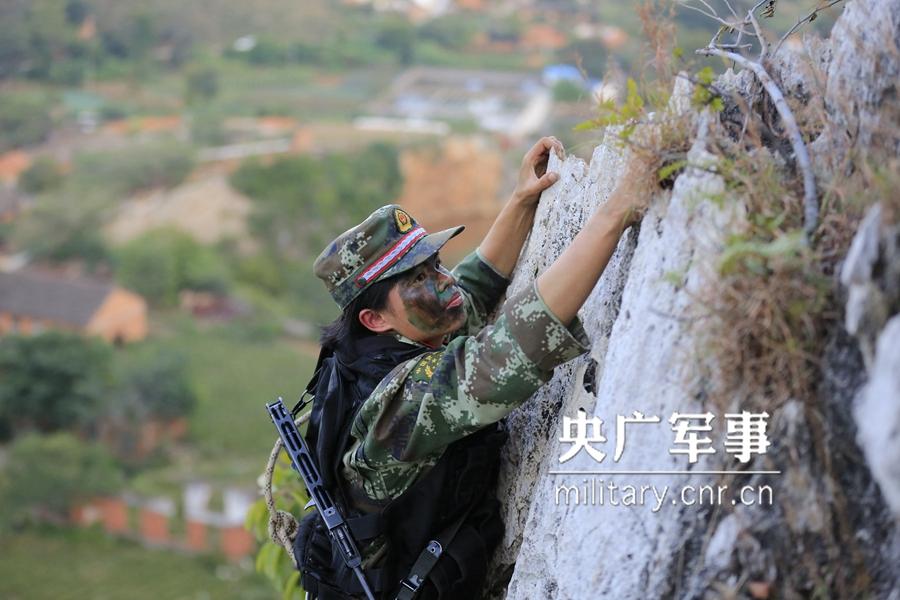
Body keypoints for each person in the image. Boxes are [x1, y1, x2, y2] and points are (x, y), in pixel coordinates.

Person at [295, 136, 656, 599]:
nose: (443, 281)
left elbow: (471, 288)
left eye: (435, 264)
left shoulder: (389, 338)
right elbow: (512, 349)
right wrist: (615, 212)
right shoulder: (399, 404)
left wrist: (521, 201)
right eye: (418, 278)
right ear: (375, 319)